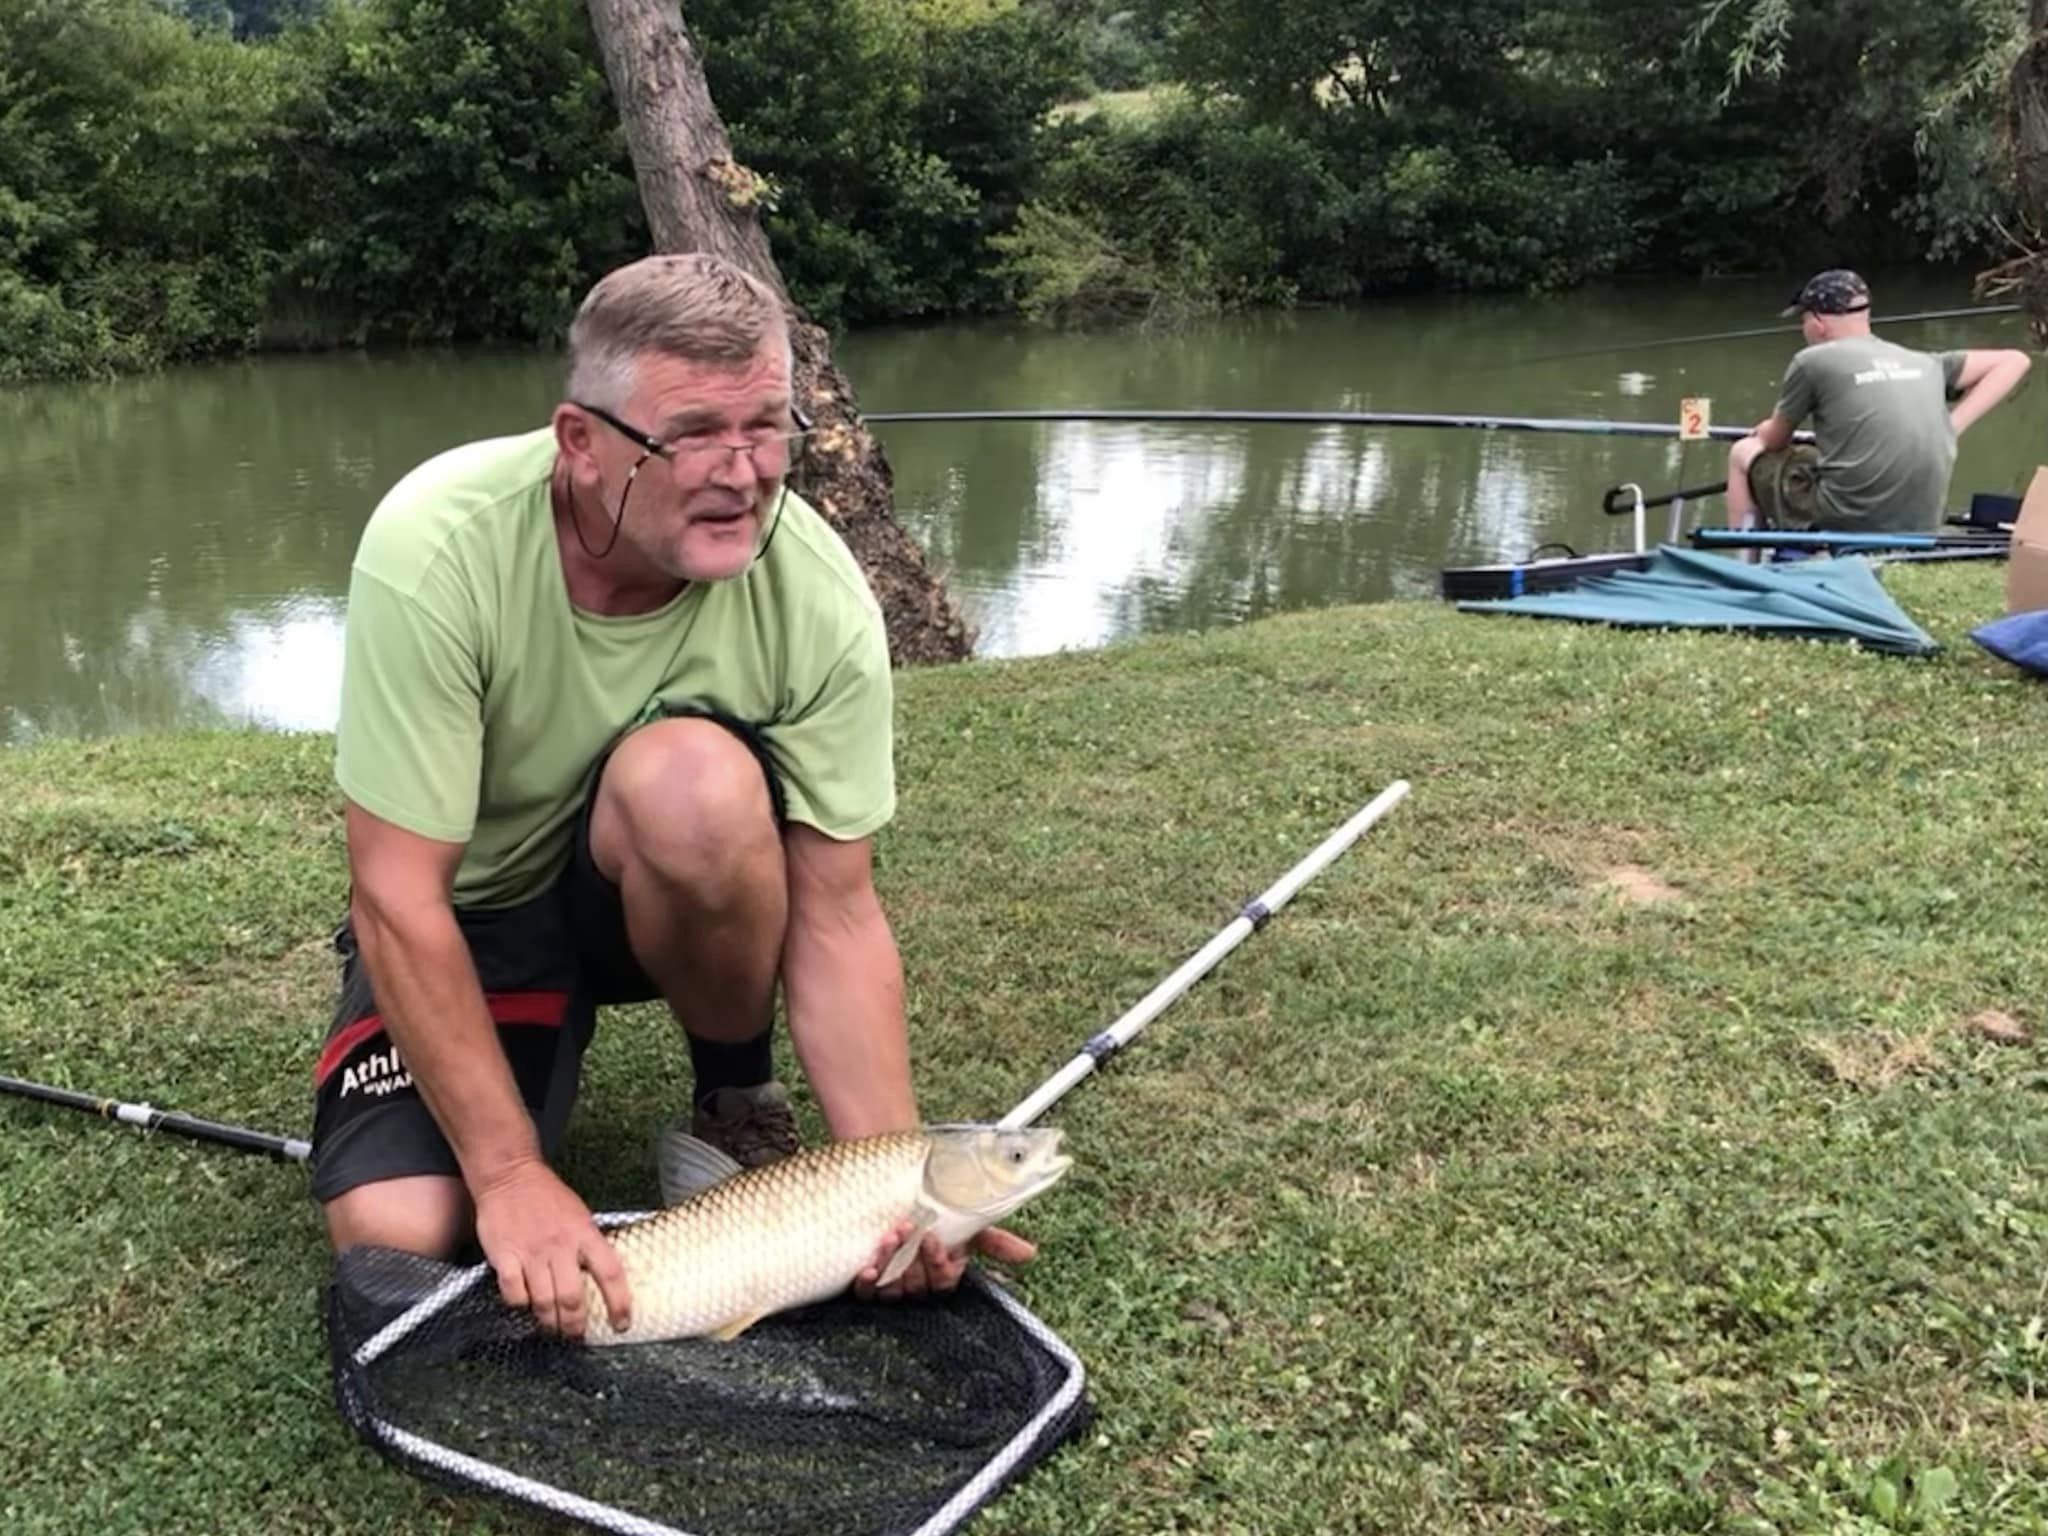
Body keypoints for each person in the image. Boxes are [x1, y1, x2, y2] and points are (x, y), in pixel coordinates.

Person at [307, 252, 1033, 1341]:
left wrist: (900, 1189)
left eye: (767, 428)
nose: (742, 473)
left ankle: (735, 1094)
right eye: (692, 432)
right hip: (474, 917)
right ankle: (503, 1106)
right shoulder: (437, 547)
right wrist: (507, 1175)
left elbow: (837, 912)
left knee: (692, 781)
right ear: (580, 441)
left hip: (655, 884)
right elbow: (397, 897)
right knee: (397, 1229)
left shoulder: (816, 591)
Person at [1725, 269, 2031, 534]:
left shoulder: (1811, 361)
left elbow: (1775, 440)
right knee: (1811, 456)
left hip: (1847, 520)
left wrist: (1763, 430)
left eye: (1803, 320)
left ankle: (1742, 564)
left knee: (1742, 452)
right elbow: (2015, 360)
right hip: (1923, 523)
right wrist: (1951, 426)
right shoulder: (1923, 362)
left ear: (1818, 322)